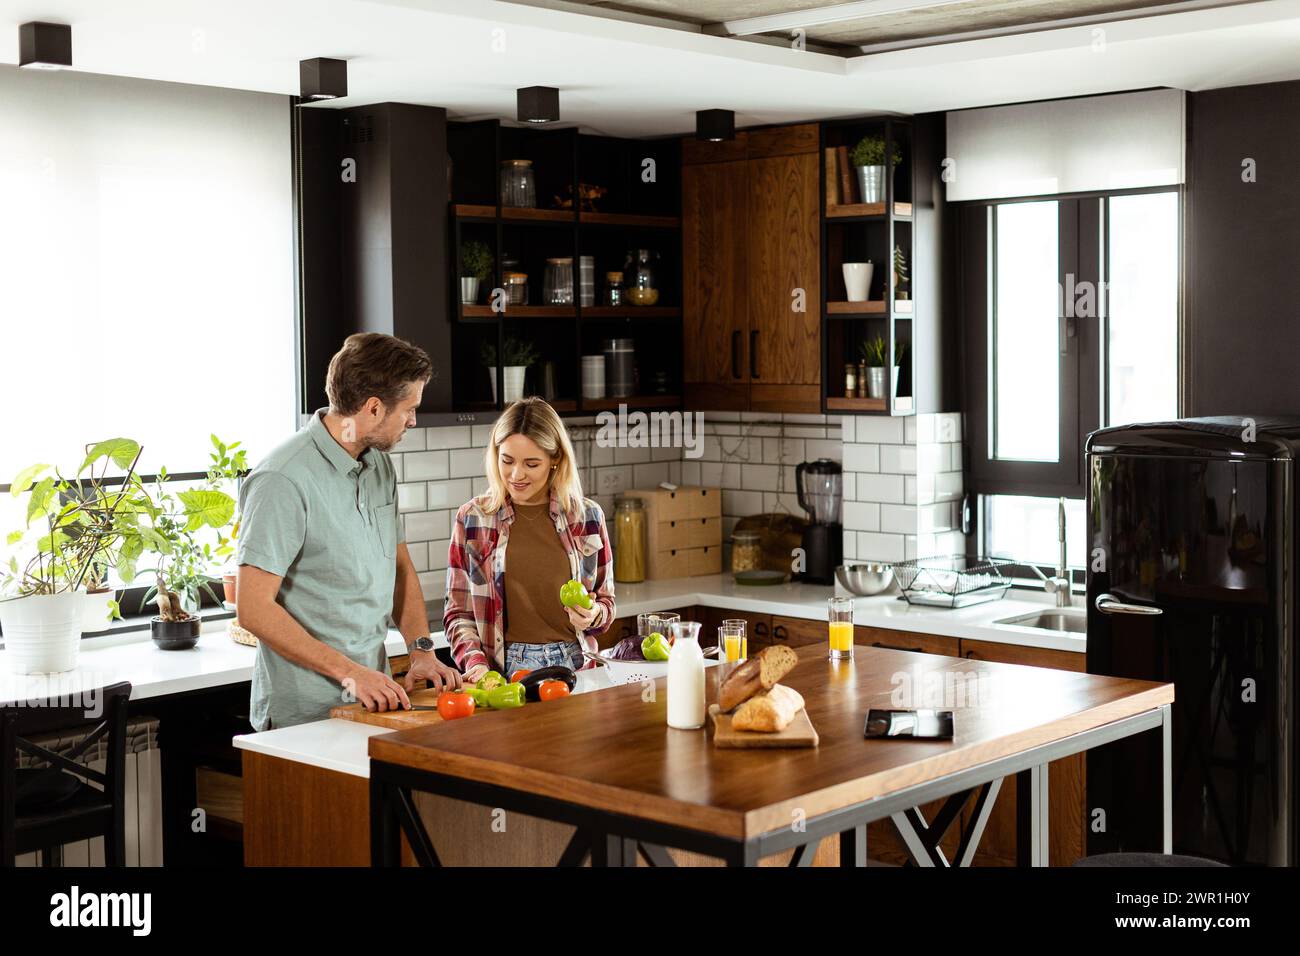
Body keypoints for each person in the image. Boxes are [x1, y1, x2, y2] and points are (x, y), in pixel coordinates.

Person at [236, 333, 461, 730]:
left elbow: (400, 567)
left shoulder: (378, 465)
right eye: (409, 409)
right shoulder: (282, 478)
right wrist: (351, 673)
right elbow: (253, 608)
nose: (413, 420)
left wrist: (422, 650)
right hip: (303, 714)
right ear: (373, 408)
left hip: (374, 700)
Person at [445, 397, 615, 682]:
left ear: (555, 460)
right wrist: (476, 665)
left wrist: (593, 614)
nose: (516, 474)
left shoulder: (587, 517)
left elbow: (606, 603)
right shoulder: (474, 518)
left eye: (531, 464)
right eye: (507, 460)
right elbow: (458, 613)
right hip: (506, 670)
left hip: (578, 665)